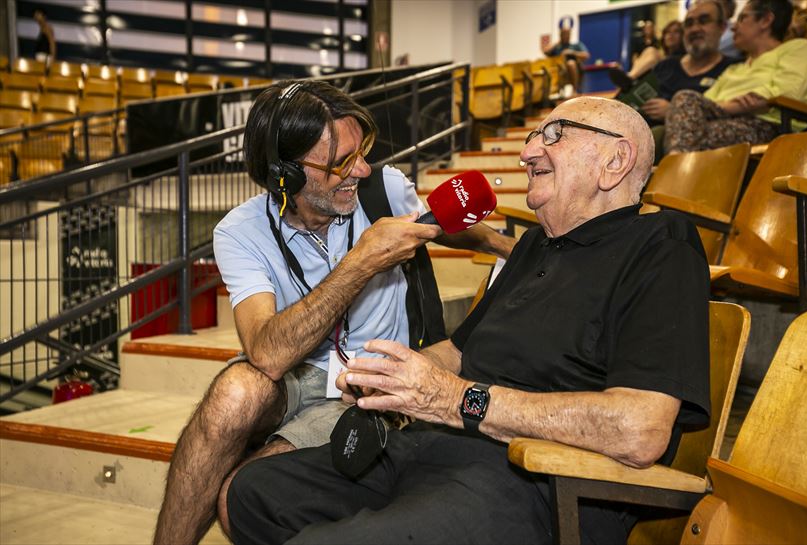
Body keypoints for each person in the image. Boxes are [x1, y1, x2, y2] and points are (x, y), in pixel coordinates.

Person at [225, 96, 712, 545]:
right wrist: (390, 376)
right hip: (433, 447)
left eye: (554, 133)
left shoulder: (661, 247)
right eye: (531, 136)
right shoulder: (535, 246)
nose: (527, 153)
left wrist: (459, 400)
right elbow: (459, 352)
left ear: (615, 160)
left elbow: (640, 430)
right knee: (253, 491)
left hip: (534, 478)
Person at [152, 80, 516, 545]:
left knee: (239, 491)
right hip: (297, 371)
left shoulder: (384, 191)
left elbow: (436, 228)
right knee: (234, 392)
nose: (361, 169)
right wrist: (361, 261)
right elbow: (266, 354)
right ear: (284, 174)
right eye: (341, 161)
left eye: (361, 150)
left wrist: (507, 245)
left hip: (367, 384)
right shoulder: (238, 232)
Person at [664, 0, 807, 153]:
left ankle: (675, 170)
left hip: (772, 126)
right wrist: (733, 106)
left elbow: (788, 91)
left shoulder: (797, 49)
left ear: (765, 20)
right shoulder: (735, 69)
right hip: (727, 122)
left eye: (742, 18)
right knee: (684, 106)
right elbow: (705, 101)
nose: (734, 27)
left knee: (687, 124)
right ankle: (678, 170)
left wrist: (727, 106)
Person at [641, 0, 741, 124]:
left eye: (704, 21)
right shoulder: (665, 66)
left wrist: (674, 112)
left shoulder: (734, 70)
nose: (695, 29)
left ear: (722, 27)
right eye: (689, 23)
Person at [610, 20, 686, 91]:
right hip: (649, 77)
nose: (671, 35)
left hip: (666, 83)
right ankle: (630, 79)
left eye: (676, 32)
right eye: (668, 32)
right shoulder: (643, 43)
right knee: (650, 50)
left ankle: (629, 79)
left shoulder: (685, 58)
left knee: (653, 52)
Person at [544, 26, 591, 94]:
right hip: (559, 69)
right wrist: (558, 42)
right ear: (560, 35)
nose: (566, 36)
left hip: (574, 68)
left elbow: (586, 55)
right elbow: (546, 52)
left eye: (567, 34)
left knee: (570, 63)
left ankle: (574, 90)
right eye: (564, 34)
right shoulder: (557, 47)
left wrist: (572, 52)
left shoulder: (576, 45)